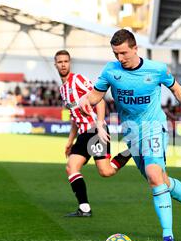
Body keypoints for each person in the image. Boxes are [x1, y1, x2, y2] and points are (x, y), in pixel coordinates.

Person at [79, 29, 181, 241]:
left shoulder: (156, 69)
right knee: (161, 181)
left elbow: (177, 89)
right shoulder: (111, 71)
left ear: (135, 48)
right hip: (130, 133)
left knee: (153, 174)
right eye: (116, 53)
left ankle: (168, 238)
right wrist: (85, 100)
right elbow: (96, 95)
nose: (120, 58)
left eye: (123, 53)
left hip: (154, 128)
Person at [54, 50, 131, 217]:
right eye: (60, 62)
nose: (63, 64)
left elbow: (100, 99)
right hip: (83, 133)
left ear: (70, 63)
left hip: (95, 130)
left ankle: (133, 148)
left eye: (66, 61)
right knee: (71, 167)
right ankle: (84, 208)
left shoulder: (78, 80)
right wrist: (70, 141)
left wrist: (101, 125)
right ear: (55, 65)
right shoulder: (63, 90)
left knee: (106, 172)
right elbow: (74, 117)